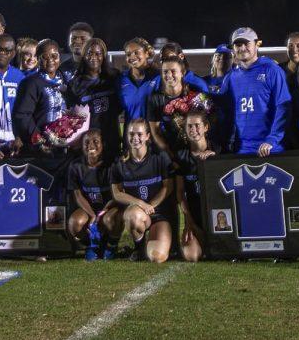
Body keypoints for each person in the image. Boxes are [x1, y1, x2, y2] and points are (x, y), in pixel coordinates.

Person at [110, 119, 177, 262]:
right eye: (131, 134)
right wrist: (141, 203)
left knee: (157, 257)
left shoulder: (160, 157)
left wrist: (151, 205)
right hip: (138, 212)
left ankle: (151, 241)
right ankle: (139, 248)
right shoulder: (120, 162)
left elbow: (168, 186)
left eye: (139, 134)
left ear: (147, 136)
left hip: (159, 213)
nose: (135, 138)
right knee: (134, 216)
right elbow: (117, 193)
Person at [223, 27, 291, 156]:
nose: (242, 48)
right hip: (241, 149)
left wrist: (272, 139)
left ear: (257, 44)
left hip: (269, 148)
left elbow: (283, 106)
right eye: (238, 44)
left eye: (246, 43)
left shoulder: (271, 70)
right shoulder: (231, 77)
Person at [66, 38, 124, 163]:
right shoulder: (75, 83)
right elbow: (71, 117)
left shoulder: (113, 77)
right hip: (88, 143)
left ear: (103, 55)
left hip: (111, 137)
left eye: (98, 53)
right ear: (84, 56)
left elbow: (120, 106)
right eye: (89, 53)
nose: (94, 57)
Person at [173, 110, 220, 262]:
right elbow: (180, 193)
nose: (193, 130)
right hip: (195, 216)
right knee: (191, 256)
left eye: (197, 125)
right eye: (189, 126)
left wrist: (216, 160)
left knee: (221, 253)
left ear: (206, 127)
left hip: (217, 216)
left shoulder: (218, 150)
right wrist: (189, 222)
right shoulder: (182, 156)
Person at [146, 55, 212, 160]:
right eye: (165, 72)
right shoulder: (155, 99)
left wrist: (209, 150)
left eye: (173, 71)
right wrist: (171, 157)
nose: (169, 75)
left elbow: (209, 124)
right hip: (171, 152)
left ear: (182, 73)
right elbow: (156, 133)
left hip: (199, 153)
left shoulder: (197, 95)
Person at [66, 130, 119, 260]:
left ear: (103, 144)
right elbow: (78, 195)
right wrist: (92, 215)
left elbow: (116, 195)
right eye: (87, 142)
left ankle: (111, 244)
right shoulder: (75, 166)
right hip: (90, 209)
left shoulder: (112, 165)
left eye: (96, 141)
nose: (91, 145)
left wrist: (101, 214)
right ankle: (93, 244)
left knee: (109, 219)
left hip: (109, 207)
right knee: (75, 223)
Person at [13, 39, 69, 154]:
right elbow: (22, 115)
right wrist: (39, 139)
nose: (50, 60)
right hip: (40, 148)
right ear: (38, 59)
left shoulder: (66, 80)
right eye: (45, 57)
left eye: (54, 56)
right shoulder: (30, 83)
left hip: (64, 146)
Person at [119, 37, 159, 124]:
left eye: (136, 53)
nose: (132, 57)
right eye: (128, 54)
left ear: (147, 54)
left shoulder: (158, 77)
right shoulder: (121, 79)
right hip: (131, 135)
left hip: (154, 135)